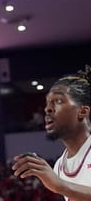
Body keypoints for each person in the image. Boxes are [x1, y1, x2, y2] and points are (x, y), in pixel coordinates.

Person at [12, 64, 91, 201]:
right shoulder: (60, 165)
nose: (47, 109)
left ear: (82, 111)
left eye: (58, 101)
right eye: (48, 103)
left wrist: (60, 185)